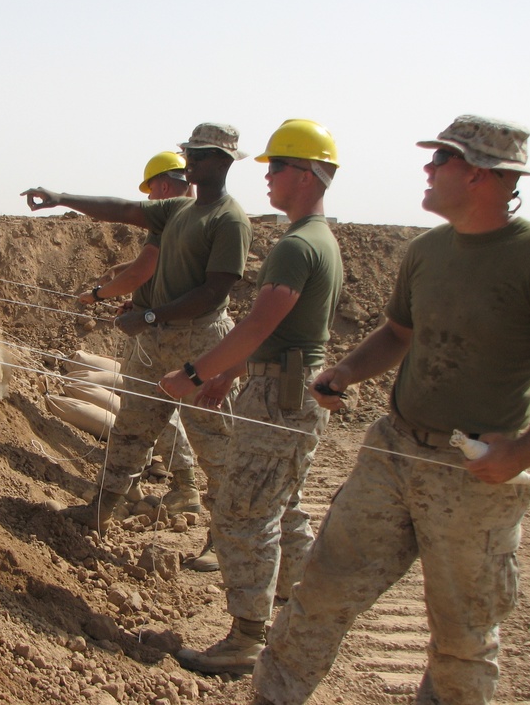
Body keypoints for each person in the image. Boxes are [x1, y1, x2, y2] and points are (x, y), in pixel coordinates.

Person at [251, 114, 530, 705]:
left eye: (441, 159)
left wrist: (520, 453)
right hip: (393, 450)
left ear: (480, 175)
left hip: (472, 473)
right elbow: (397, 333)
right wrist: (346, 370)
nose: (427, 168)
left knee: (463, 633)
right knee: (323, 589)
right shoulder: (427, 251)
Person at [159, 119, 343, 674]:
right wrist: (227, 373)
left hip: (280, 392)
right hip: (286, 383)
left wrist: (193, 372)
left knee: (242, 512)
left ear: (307, 175)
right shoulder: (318, 240)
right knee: (281, 505)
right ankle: (293, 612)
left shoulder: (296, 247)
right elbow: (278, 332)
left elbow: (260, 322)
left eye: (278, 166)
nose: (267, 176)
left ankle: (247, 638)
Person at [22, 122, 253, 538]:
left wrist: (149, 317)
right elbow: (124, 209)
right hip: (157, 342)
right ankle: (100, 510)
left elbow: (214, 291)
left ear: (222, 162)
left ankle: (224, 541)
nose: (190, 163)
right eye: (189, 154)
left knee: (216, 444)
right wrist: (61, 199)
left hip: (201, 344)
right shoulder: (179, 211)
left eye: (198, 156)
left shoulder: (229, 220)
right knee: (132, 428)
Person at [79, 151, 206, 524]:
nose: (150, 200)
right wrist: (138, 303)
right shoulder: (199, 217)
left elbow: (142, 272)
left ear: (164, 186)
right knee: (156, 414)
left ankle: (181, 489)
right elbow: (160, 275)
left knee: (149, 411)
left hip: (168, 336)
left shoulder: (174, 219)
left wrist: (100, 295)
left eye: (152, 192)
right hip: (173, 330)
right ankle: (173, 488)